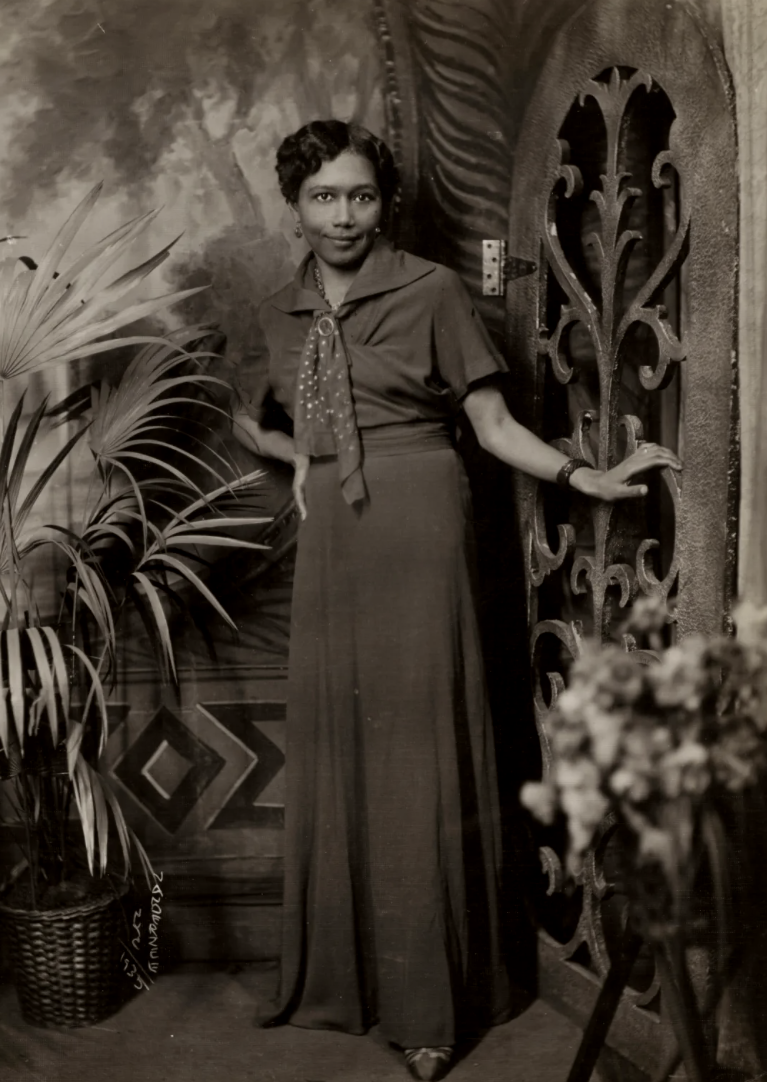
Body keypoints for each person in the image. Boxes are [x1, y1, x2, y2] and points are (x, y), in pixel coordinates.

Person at [230, 119, 680, 1082]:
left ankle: (431, 1010)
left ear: (381, 202)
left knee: (420, 752)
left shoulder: (430, 289)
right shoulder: (279, 311)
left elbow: (490, 422)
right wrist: (302, 462)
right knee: (345, 744)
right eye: (323, 197)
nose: (343, 215)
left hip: (421, 523)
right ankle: (345, 982)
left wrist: (581, 475)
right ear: (295, 206)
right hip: (333, 547)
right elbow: (252, 414)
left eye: (359, 195)